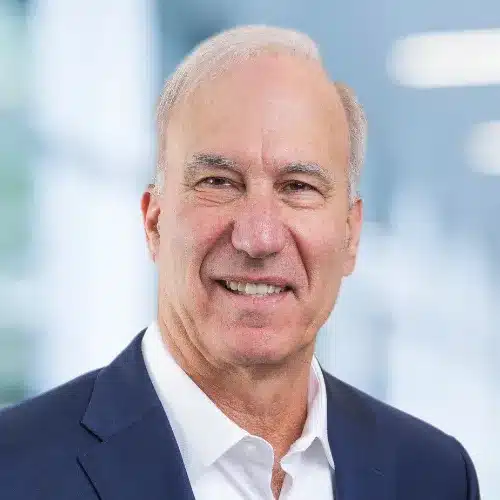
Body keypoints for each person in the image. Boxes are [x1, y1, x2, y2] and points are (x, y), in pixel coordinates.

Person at [0, 25, 480, 500]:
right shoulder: (15, 468)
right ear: (154, 223)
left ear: (351, 234)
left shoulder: (434, 475)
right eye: (219, 182)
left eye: (298, 187)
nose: (259, 238)